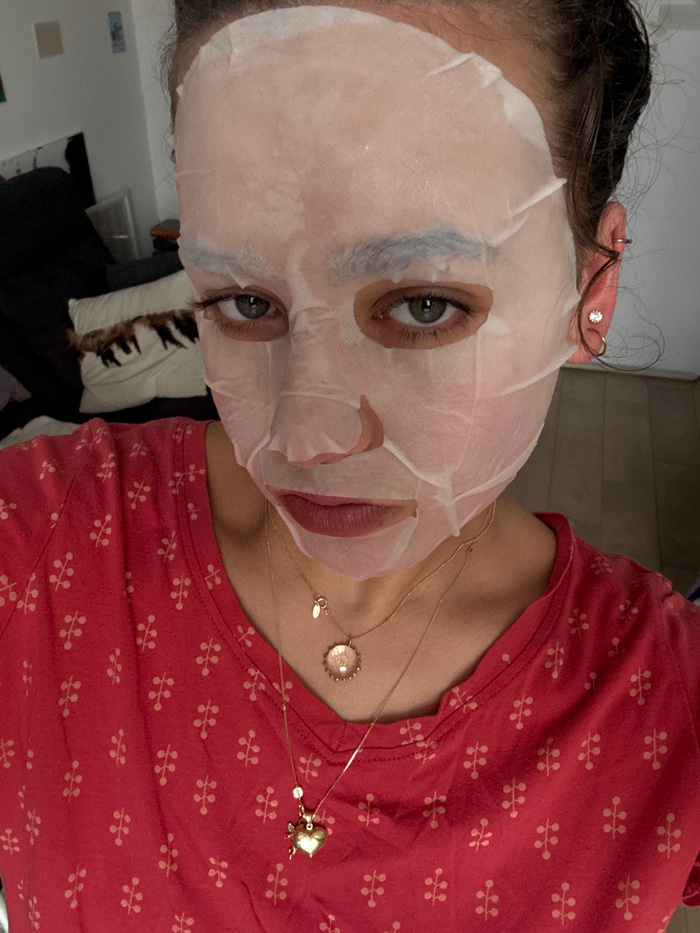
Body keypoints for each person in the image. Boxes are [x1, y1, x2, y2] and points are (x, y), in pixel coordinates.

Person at [0, 1, 698, 930]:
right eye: (245, 301)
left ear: (589, 292)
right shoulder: (44, 543)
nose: (306, 439)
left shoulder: (663, 703)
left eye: (422, 305)